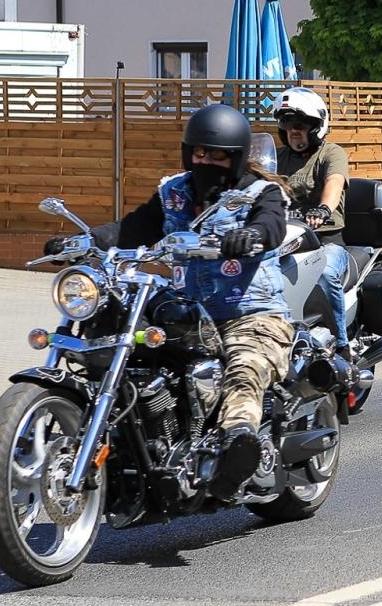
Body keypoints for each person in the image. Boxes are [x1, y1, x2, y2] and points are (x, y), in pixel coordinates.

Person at [49, 103, 294, 498]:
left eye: (217, 156)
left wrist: (251, 236)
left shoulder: (260, 192)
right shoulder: (174, 192)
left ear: (235, 158)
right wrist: (83, 242)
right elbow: (132, 229)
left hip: (250, 312)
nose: (206, 162)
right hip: (190, 311)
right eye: (199, 153)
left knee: (244, 368)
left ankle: (239, 443)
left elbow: (272, 224)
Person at [272, 87, 351, 361]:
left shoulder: (332, 153)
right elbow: (254, 184)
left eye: (301, 125)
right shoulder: (277, 158)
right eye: (288, 124)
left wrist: (323, 208)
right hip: (285, 241)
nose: (294, 131)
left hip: (325, 241)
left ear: (316, 126)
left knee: (325, 272)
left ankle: (342, 345)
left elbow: (335, 183)